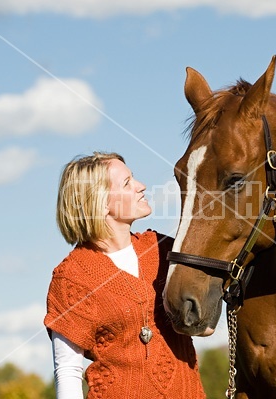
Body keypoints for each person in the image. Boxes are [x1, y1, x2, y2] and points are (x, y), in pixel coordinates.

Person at [44, 152, 205, 399]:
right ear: (100, 201)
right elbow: (68, 370)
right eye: (127, 183)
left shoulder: (165, 250)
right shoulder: (72, 277)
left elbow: (205, 322)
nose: (141, 187)